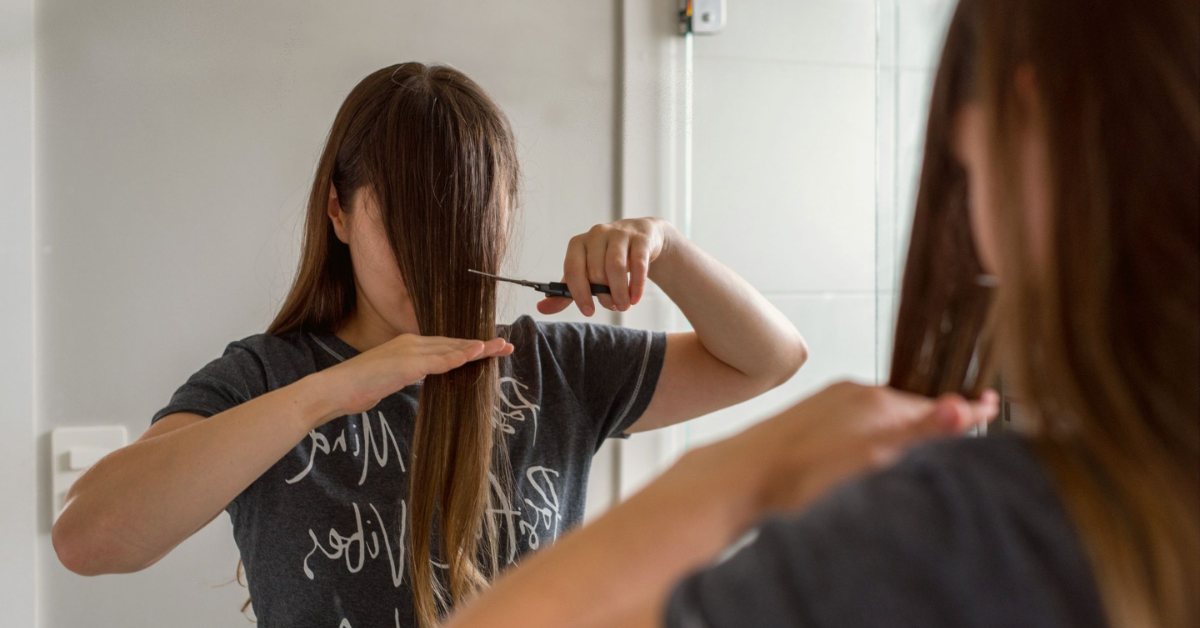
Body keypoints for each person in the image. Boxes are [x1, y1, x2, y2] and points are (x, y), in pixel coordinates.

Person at [442, 0, 1200, 627]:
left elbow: (769, 356)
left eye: (965, 165)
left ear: (1030, 127)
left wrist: (746, 468)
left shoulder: (953, 537)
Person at [50, 62, 811, 628]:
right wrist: (326, 394)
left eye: (465, 220)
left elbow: (771, 359)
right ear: (338, 212)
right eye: (405, 223)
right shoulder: (265, 377)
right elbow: (88, 539)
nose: (435, 254)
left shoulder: (553, 368)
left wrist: (665, 248)